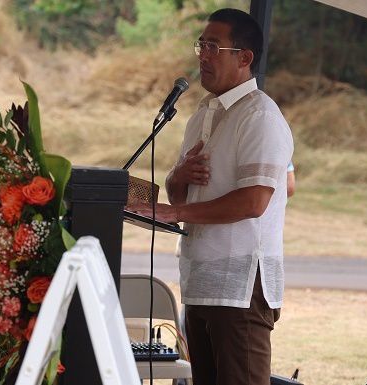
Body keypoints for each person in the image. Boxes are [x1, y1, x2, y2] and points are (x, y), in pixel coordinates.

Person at [127, 8, 293, 385]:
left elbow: (253, 202)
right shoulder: (201, 115)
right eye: (201, 44)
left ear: (244, 58)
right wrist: (178, 178)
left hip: (239, 288)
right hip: (199, 280)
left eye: (214, 46)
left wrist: (176, 210)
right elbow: (178, 191)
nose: (203, 54)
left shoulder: (260, 117)